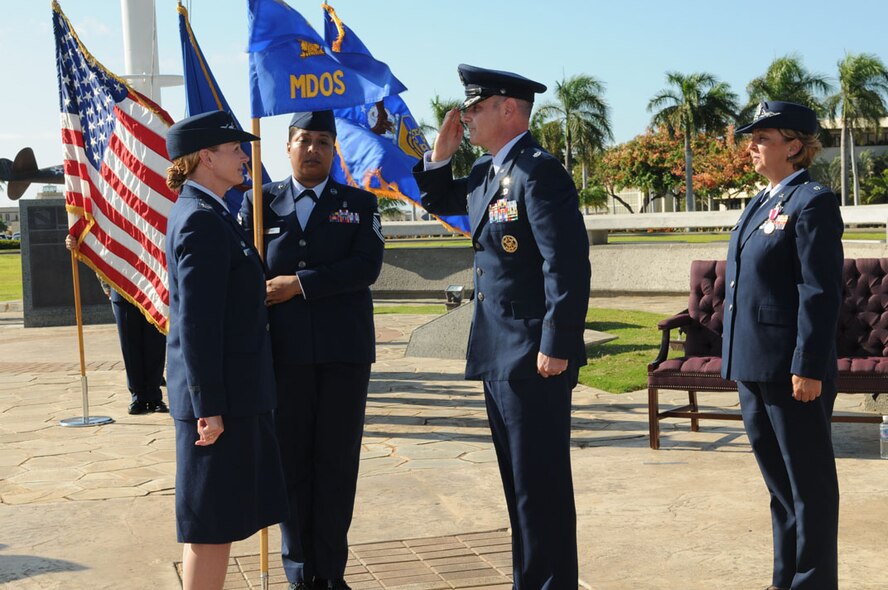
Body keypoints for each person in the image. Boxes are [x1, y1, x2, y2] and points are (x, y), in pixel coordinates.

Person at [413, 64, 591, 590]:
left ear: (507, 109)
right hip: (498, 351)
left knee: (541, 487)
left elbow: (567, 265)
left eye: (474, 107)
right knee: (519, 486)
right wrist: (440, 156)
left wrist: (557, 344)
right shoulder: (488, 174)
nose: (464, 117)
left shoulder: (539, 173)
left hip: (535, 354)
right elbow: (441, 202)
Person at [239, 110, 384, 590]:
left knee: (337, 466)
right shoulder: (258, 204)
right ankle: (300, 572)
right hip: (282, 358)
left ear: (334, 149)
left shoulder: (359, 203)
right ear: (287, 145)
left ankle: (332, 573)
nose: (314, 149)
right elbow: (243, 274)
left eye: (324, 141)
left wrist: (299, 284)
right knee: (291, 465)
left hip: (344, 356)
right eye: (305, 140)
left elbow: (365, 267)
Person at [164, 110, 288, 590]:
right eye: (235, 148)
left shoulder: (211, 212)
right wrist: (209, 405)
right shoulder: (200, 220)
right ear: (205, 156)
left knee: (219, 521)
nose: (245, 156)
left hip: (235, 396)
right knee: (210, 527)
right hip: (219, 405)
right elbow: (196, 323)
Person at [722, 101, 844, 590]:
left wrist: (809, 364)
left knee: (808, 486)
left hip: (792, 369)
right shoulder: (761, 202)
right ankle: (785, 578)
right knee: (780, 486)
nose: (751, 146)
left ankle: (813, 582)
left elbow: (819, 290)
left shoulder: (812, 202)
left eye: (763, 139)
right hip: (752, 364)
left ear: (795, 147)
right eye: (752, 139)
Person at [63, 236, 168, 415]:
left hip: (153, 287)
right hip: (121, 286)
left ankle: (154, 396)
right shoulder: (114, 208)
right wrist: (75, 239)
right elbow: (100, 241)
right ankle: (138, 397)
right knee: (130, 345)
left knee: (155, 344)